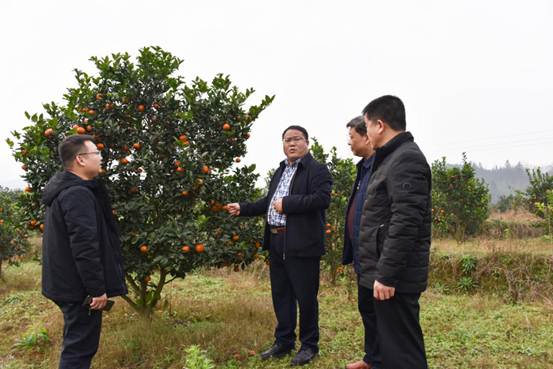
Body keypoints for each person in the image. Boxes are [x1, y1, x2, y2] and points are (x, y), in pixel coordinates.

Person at [226, 125, 332, 366]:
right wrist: (243, 208)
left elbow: (321, 199)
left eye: (296, 139)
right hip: (276, 240)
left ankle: (309, 345)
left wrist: (288, 204)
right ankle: (283, 342)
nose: (291, 144)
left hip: (302, 243)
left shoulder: (317, 170)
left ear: (307, 142)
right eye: (287, 140)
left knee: (305, 297)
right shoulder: (280, 170)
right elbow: (269, 202)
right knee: (281, 294)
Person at [356, 95, 431, 369]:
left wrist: (386, 274)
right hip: (383, 272)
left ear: (379, 125)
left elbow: (406, 222)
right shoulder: (389, 159)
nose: (366, 133)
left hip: (396, 277)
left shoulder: (406, 159)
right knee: (391, 346)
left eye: (366, 126)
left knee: (403, 352)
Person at [41, 134, 127, 369]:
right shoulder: (77, 194)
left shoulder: (66, 189)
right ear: (80, 159)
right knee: (79, 351)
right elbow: (85, 246)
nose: (101, 158)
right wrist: (96, 289)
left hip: (65, 284)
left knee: (76, 344)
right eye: (96, 154)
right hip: (78, 289)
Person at [341, 116, 379, 369]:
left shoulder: (382, 166)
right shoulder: (363, 167)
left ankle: (387, 360)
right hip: (362, 254)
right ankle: (373, 359)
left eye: (352, 137)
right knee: (367, 309)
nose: (348, 143)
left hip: (378, 254)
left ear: (366, 136)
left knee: (384, 314)